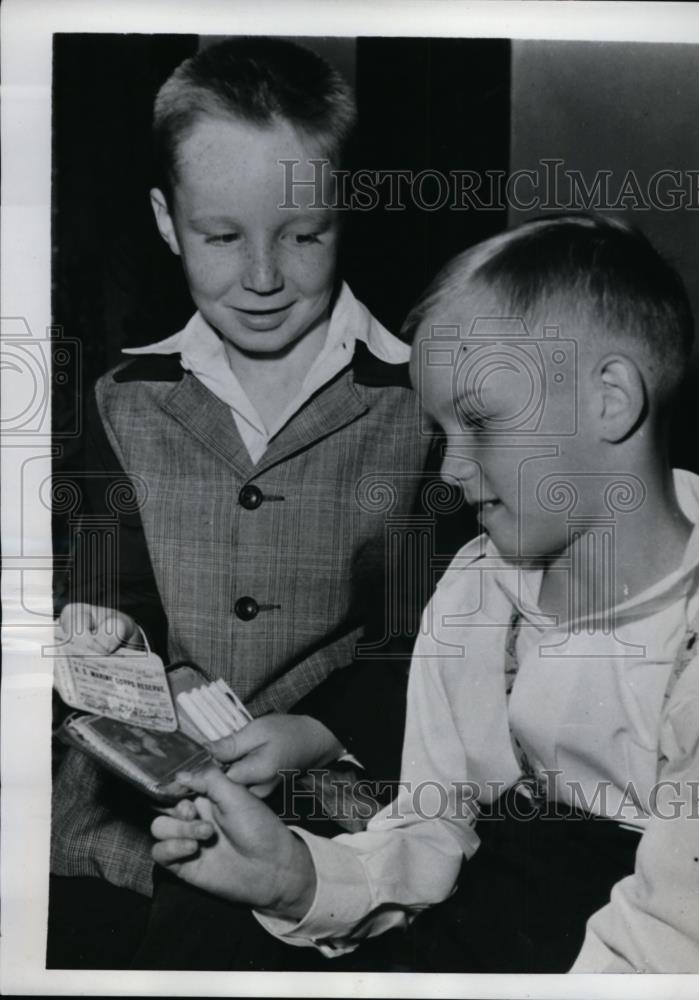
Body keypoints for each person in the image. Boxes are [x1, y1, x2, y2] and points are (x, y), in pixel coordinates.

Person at [150, 213, 699, 973]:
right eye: (442, 429)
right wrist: (293, 876)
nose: (451, 470)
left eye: (480, 421)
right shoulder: (478, 589)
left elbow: (672, 946)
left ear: (611, 399)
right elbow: (431, 829)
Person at [48, 36, 459, 968]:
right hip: (121, 815)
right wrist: (114, 640)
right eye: (222, 236)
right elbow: (118, 595)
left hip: (331, 812)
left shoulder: (421, 407)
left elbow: (431, 639)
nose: (265, 276)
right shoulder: (123, 398)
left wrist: (318, 731)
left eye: (303, 235)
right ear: (166, 220)